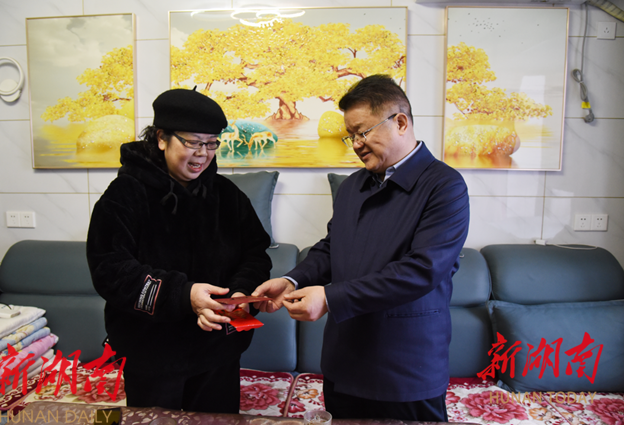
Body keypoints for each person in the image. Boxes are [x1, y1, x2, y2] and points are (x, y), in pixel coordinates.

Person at [253, 75, 469, 422]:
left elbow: (422, 270)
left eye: (362, 132)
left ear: (400, 122)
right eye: (350, 135)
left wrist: (329, 298)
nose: (355, 144)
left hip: (406, 366)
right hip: (345, 360)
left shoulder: (444, 186)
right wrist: (292, 280)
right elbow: (330, 247)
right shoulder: (353, 185)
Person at [86, 88, 272, 413]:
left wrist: (239, 294)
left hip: (218, 350)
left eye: (212, 143)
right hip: (151, 354)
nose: (203, 154)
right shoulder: (124, 195)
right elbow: (111, 271)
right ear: (162, 138)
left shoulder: (227, 196)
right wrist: (184, 295)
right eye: (193, 142)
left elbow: (256, 254)